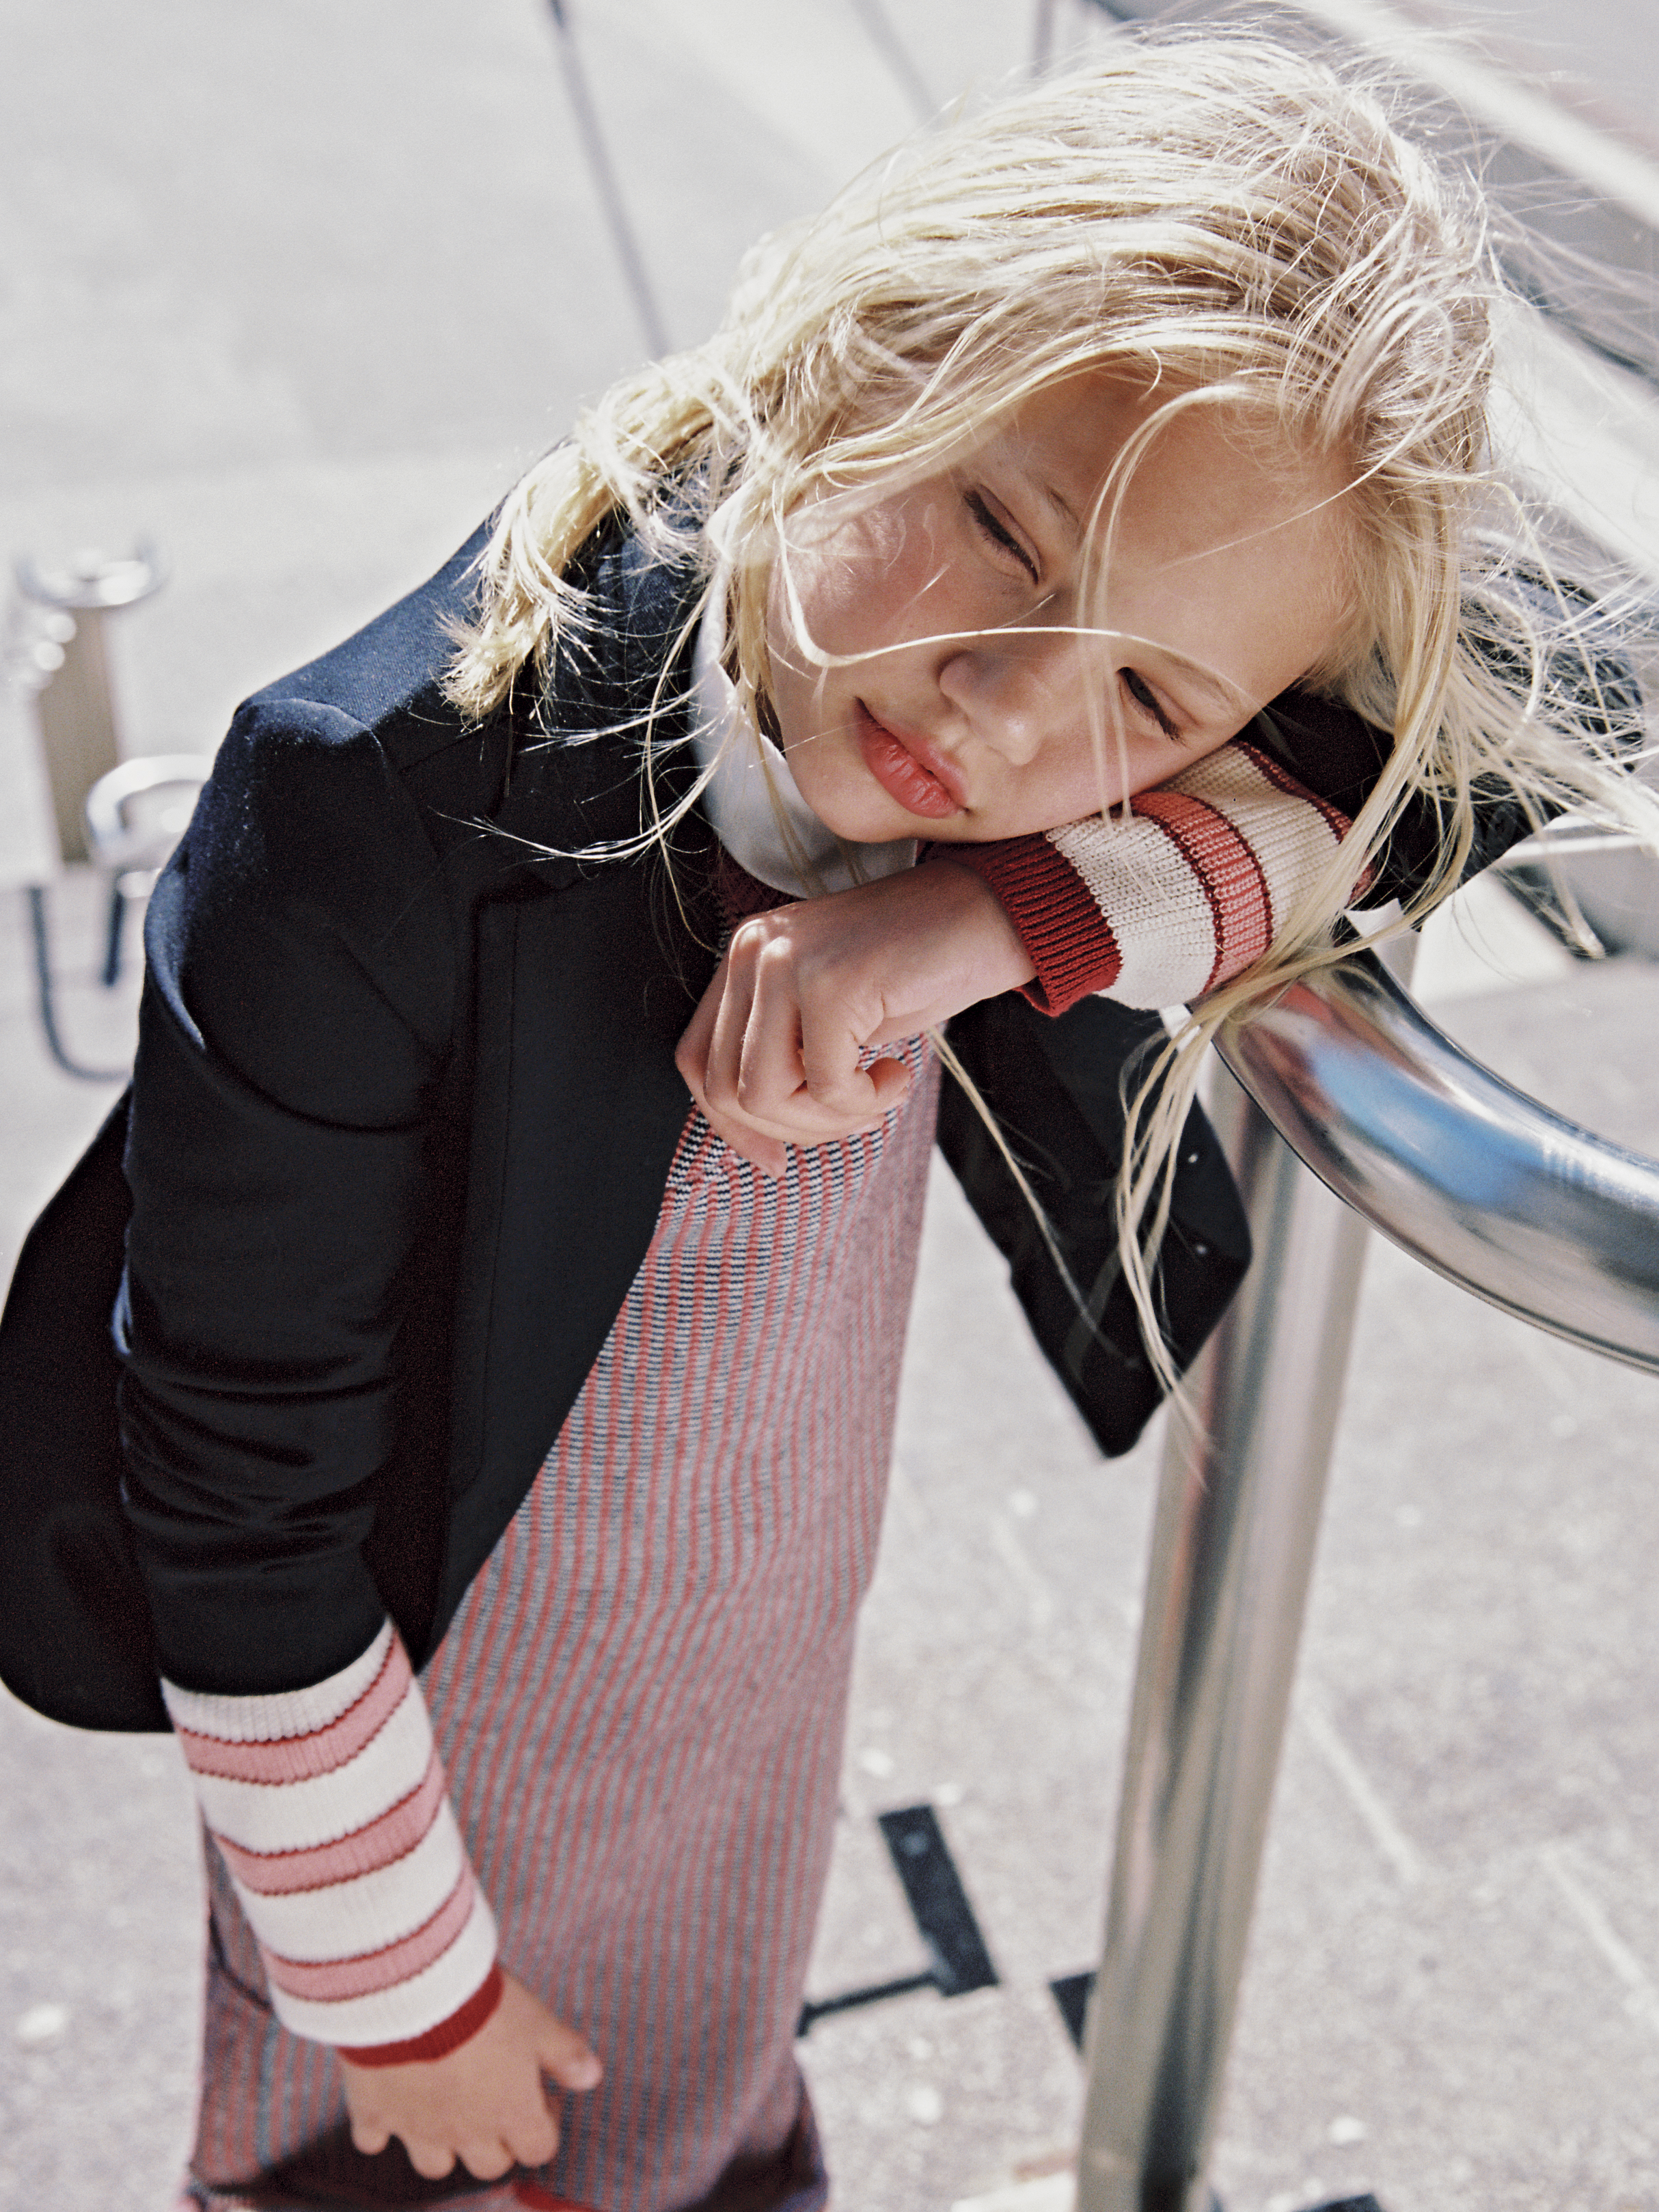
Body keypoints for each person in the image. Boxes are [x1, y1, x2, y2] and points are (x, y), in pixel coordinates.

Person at [17, 28, 1650, 2212]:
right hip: (413, 1787)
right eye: (992, 523)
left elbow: (1466, 766)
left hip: (744, 1678)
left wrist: (998, 917)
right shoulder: (377, 808)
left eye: (1150, 698)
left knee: (709, 2080)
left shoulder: (1014, 780)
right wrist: (400, 1995)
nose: (1005, 708)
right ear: (865, 346)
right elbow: (236, 1495)